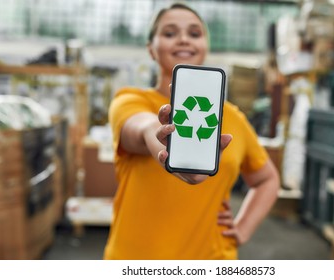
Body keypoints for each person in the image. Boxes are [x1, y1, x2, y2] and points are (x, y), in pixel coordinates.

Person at [104, 2, 280, 260]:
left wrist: (242, 229)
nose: (184, 40)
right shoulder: (130, 100)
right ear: (151, 48)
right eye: (170, 33)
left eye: (195, 34)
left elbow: (268, 179)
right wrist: (168, 146)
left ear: (205, 46)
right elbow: (144, 128)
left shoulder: (232, 118)